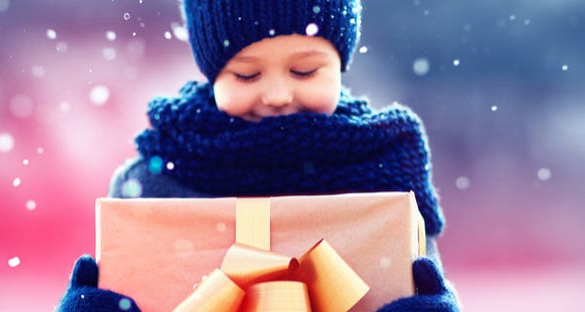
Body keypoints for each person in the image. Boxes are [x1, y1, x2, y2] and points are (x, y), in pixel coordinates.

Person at [57, 0, 460, 311]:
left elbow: (423, 278)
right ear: (212, 73)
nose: (277, 96)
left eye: (304, 71)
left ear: (341, 64)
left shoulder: (384, 165)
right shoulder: (156, 179)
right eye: (247, 75)